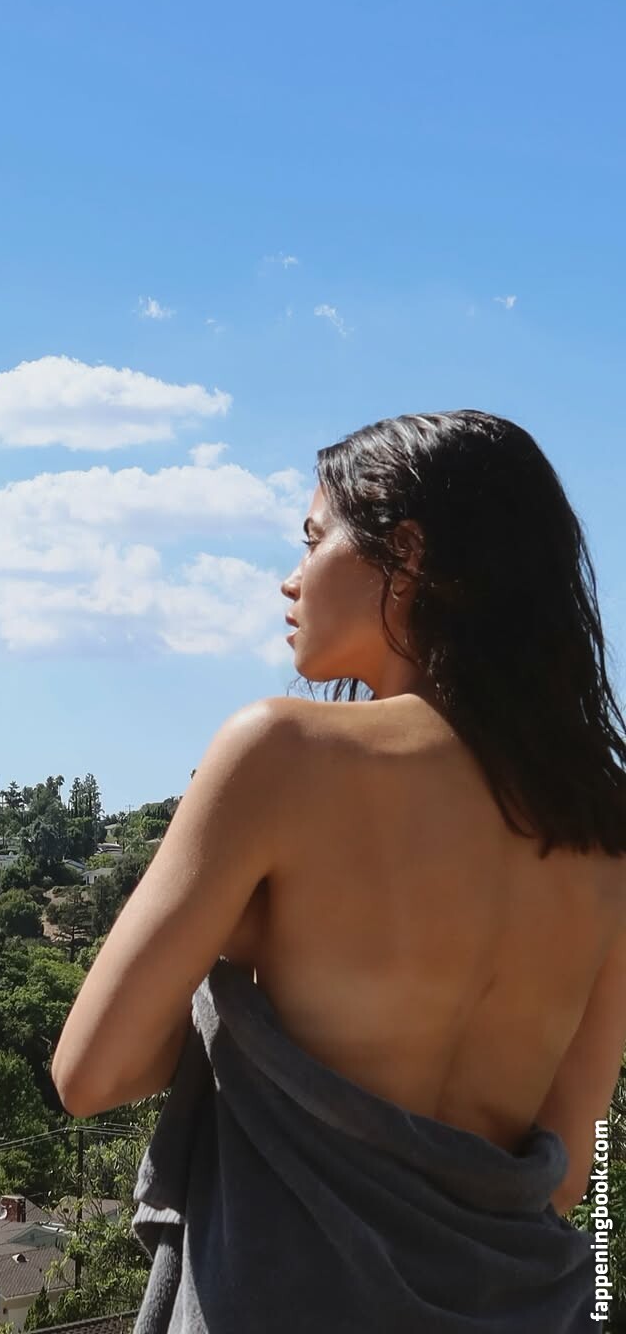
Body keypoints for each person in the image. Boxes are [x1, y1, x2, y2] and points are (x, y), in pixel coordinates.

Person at [51, 410, 626, 1331]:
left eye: (314, 539)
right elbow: (565, 1174)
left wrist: (231, 976)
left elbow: (91, 1074)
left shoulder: (281, 753)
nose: (291, 578)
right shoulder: (605, 828)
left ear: (407, 553)